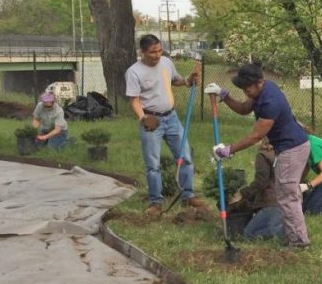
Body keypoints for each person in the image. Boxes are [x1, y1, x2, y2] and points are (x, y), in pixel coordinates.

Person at [206, 62, 311, 249]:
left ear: (260, 82)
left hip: (292, 149)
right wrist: (225, 95)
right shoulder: (262, 90)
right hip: (290, 147)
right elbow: (245, 109)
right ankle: (294, 236)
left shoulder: (270, 101)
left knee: (287, 196)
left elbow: (256, 135)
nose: (246, 92)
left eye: (248, 88)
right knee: (288, 194)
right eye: (243, 88)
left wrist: (229, 149)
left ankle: (299, 242)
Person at [125, 34, 208, 215]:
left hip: (172, 118)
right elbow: (134, 100)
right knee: (153, 164)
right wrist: (143, 118)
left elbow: (175, 80)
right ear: (142, 52)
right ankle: (156, 202)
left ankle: (188, 195)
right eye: (152, 52)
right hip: (150, 122)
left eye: (159, 50)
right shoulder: (134, 72)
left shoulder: (166, 63)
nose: (157, 55)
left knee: (185, 157)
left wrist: (188, 81)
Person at [236, 139, 283, 241]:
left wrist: (242, 194)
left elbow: (261, 182)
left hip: (272, 203)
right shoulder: (286, 152)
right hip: (289, 200)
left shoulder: (263, 155)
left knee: (249, 234)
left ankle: (287, 232)